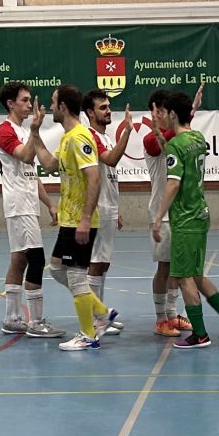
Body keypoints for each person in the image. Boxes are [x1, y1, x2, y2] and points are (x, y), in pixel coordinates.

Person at [151, 89, 219, 348]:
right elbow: (180, 155)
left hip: (185, 218)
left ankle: (200, 334)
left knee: (183, 277)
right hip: (201, 214)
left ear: (172, 114)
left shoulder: (177, 145)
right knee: (196, 274)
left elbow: (173, 184)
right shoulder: (198, 138)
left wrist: (158, 217)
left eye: (166, 112)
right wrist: (161, 136)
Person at [49, 84, 116, 352]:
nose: (50, 107)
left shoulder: (80, 137)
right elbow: (49, 165)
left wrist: (85, 219)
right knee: (56, 269)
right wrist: (35, 134)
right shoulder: (67, 137)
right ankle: (102, 312)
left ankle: (89, 335)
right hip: (67, 219)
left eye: (53, 102)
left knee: (77, 277)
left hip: (79, 220)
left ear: (63, 107)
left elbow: (94, 178)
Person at [0, 82, 63, 338]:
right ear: (10, 103)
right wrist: (35, 130)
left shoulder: (24, 131)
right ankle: (36, 322)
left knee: (19, 259)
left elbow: (31, 173)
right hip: (18, 204)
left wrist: (50, 203)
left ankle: (11, 318)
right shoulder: (5, 130)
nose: (29, 104)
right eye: (24, 100)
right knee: (36, 259)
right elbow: (24, 156)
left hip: (29, 203)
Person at [139, 85, 201, 337]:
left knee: (179, 268)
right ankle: (160, 319)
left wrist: (191, 112)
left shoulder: (178, 136)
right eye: (164, 111)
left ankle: (173, 314)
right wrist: (191, 111)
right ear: (156, 112)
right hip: (161, 213)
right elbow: (164, 140)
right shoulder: (150, 139)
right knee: (164, 268)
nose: (168, 115)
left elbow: (179, 131)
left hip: (180, 214)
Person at [85, 88, 132, 336]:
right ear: (90, 113)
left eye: (108, 106)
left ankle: (101, 316)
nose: (108, 111)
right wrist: (128, 132)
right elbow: (111, 160)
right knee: (95, 264)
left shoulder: (106, 137)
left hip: (109, 208)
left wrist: (116, 208)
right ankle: (94, 319)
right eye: (103, 107)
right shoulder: (91, 137)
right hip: (97, 209)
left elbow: (110, 175)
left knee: (103, 264)